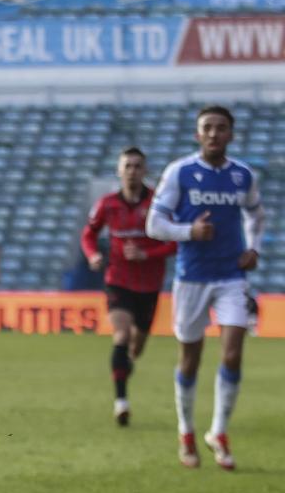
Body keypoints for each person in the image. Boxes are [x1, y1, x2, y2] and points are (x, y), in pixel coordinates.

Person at [147, 105, 264, 471]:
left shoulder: (243, 175)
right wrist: (189, 232)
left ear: (231, 134)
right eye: (207, 127)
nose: (214, 133)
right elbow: (154, 224)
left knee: (232, 354)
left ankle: (219, 432)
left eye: (221, 127)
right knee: (190, 358)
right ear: (198, 135)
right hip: (191, 278)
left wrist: (253, 248)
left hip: (231, 277)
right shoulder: (180, 172)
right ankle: (186, 431)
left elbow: (256, 214)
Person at [81, 147, 175, 426]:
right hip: (118, 280)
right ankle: (121, 402)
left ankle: (125, 364)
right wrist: (93, 255)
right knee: (121, 335)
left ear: (145, 171)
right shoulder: (107, 204)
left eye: (137, 166)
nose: (132, 171)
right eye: (127, 166)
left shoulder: (159, 203)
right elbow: (88, 234)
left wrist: (147, 254)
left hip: (149, 284)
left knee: (136, 348)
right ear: (119, 171)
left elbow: (175, 242)